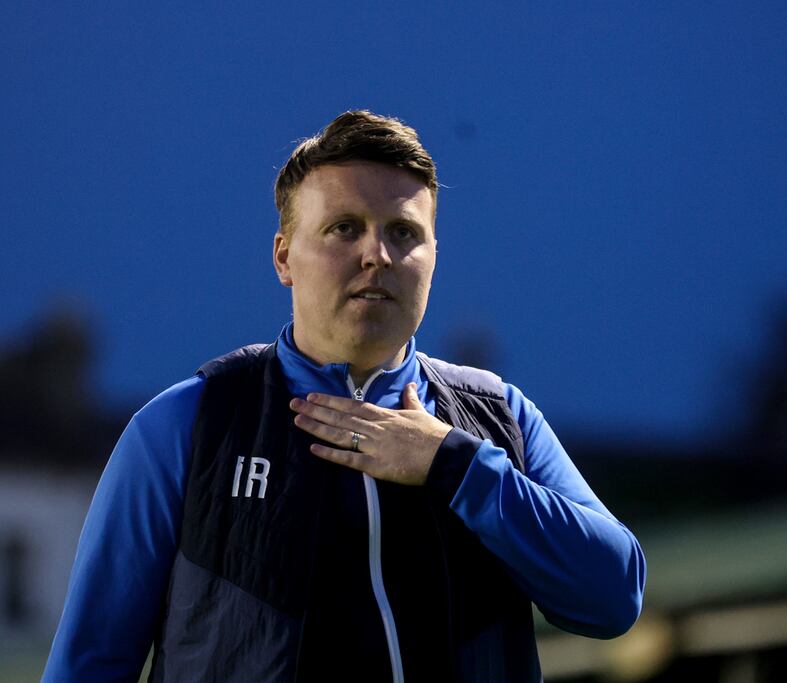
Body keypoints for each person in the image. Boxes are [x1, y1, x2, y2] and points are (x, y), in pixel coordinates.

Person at [43, 110, 646, 682]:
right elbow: (88, 666)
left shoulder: (499, 418)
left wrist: (455, 466)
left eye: (404, 233)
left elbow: (614, 597)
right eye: (344, 228)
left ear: (433, 260)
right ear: (284, 257)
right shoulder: (188, 424)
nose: (376, 254)